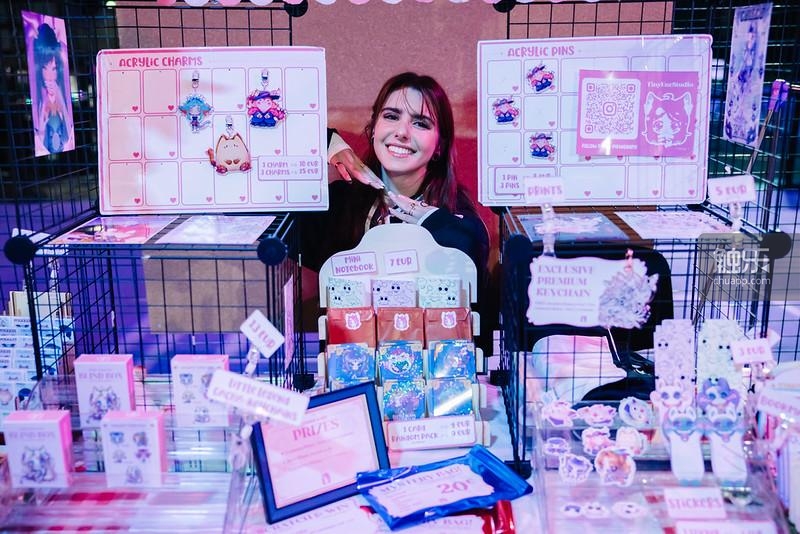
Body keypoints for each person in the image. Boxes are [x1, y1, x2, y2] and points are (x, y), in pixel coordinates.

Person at [301, 71, 490, 308]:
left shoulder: (458, 219)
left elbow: (475, 287)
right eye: (391, 116)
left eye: (420, 123)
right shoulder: (338, 204)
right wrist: (328, 142)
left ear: (439, 145)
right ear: (373, 128)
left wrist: (435, 224)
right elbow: (267, 134)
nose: (402, 132)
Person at [32, 22, 71, 154]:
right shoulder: (38, 97)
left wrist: (59, 96)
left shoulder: (62, 90)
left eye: (53, 69)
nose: (49, 76)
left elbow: (68, 134)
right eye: (45, 68)